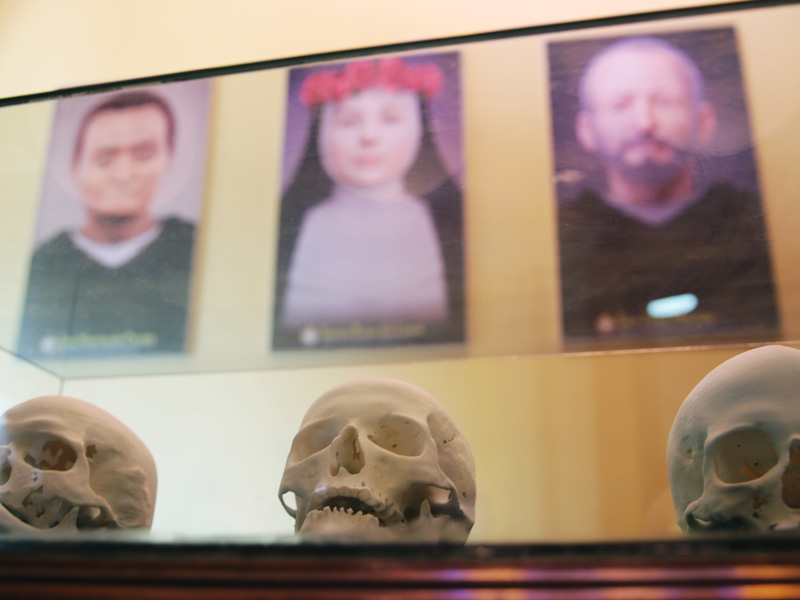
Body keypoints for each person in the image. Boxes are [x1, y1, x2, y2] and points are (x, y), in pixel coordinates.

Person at [557, 36, 779, 344]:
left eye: (664, 102)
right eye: (620, 105)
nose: (644, 123)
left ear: (703, 121)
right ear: (587, 129)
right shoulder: (560, 237)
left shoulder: (758, 224)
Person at [273, 57, 464, 348]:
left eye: (390, 119)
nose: (369, 137)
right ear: (320, 132)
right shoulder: (294, 228)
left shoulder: (450, 225)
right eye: (348, 121)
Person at [18, 90, 196, 358]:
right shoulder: (42, 264)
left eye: (144, 154)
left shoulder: (196, 249)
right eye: (104, 158)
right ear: (75, 166)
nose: (123, 175)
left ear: (168, 159)